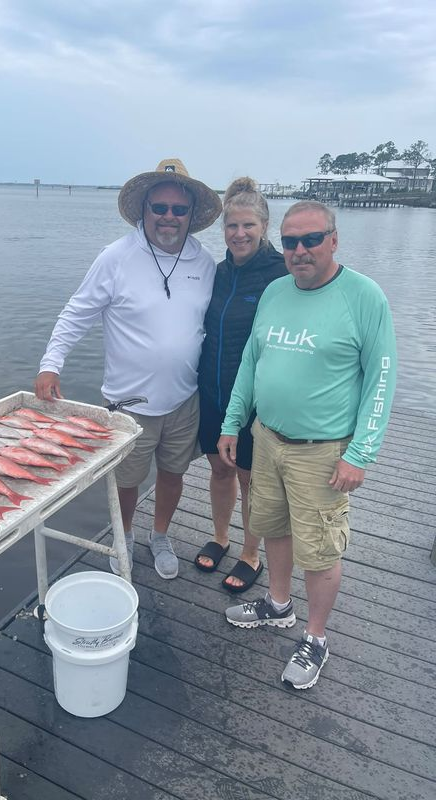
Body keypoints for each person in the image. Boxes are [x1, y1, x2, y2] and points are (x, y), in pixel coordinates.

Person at [217, 200, 396, 689]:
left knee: (319, 551)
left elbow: (382, 379)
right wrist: (233, 423)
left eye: (311, 239)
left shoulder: (364, 296)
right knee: (272, 526)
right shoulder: (275, 291)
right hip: (267, 438)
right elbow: (251, 364)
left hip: (323, 450)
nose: (300, 251)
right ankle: (278, 605)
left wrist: (360, 453)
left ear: (333, 239)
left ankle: (315, 638)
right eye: (291, 241)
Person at [35, 159, 222, 580]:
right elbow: (77, 312)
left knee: (173, 474)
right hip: (128, 403)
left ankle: (160, 535)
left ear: (192, 215)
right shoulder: (116, 257)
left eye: (179, 209)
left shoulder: (204, 262)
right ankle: (125, 538)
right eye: (159, 207)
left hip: (184, 399)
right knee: (126, 481)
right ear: (144, 210)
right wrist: (51, 365)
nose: (169, 217)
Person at [195, 177, 287, 591]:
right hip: (212, 391)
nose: (240, 234)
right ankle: (220, 537)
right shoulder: (218, 273)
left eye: (248, 225)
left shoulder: (281, 273)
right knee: (219, 469)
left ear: (264, 226)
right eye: (232, 226)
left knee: (250, 478)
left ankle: (251, 554)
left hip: (253, 401)